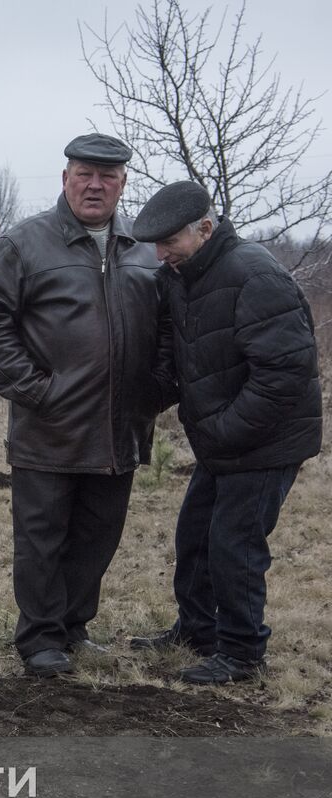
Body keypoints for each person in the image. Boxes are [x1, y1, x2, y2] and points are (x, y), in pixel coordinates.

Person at [0, 133, 161, 677]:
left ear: (124, 184)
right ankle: (39, 638)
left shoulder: (144, 246)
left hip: (120, 428)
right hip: (48, 428)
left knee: (98, 536)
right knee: (42, 539)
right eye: (84, 174)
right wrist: (37, 391)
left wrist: (154, 392)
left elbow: (168, 329)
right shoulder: (26, 243)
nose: (95, 185)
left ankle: (74, 627)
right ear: (65, 179)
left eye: (108, 177)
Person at [129, 181, 322, 683]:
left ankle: (241, 653)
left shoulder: (254, 274)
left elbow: (285, 374)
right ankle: (198, 630)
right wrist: (141, 398)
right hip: (221, 439)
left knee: (234, 543)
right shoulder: (181, 275)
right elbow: (176, 351)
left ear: (206, 229)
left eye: (169, 241)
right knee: (195, 535)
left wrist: (226, 429)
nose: (159, 253)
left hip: (265, 440)